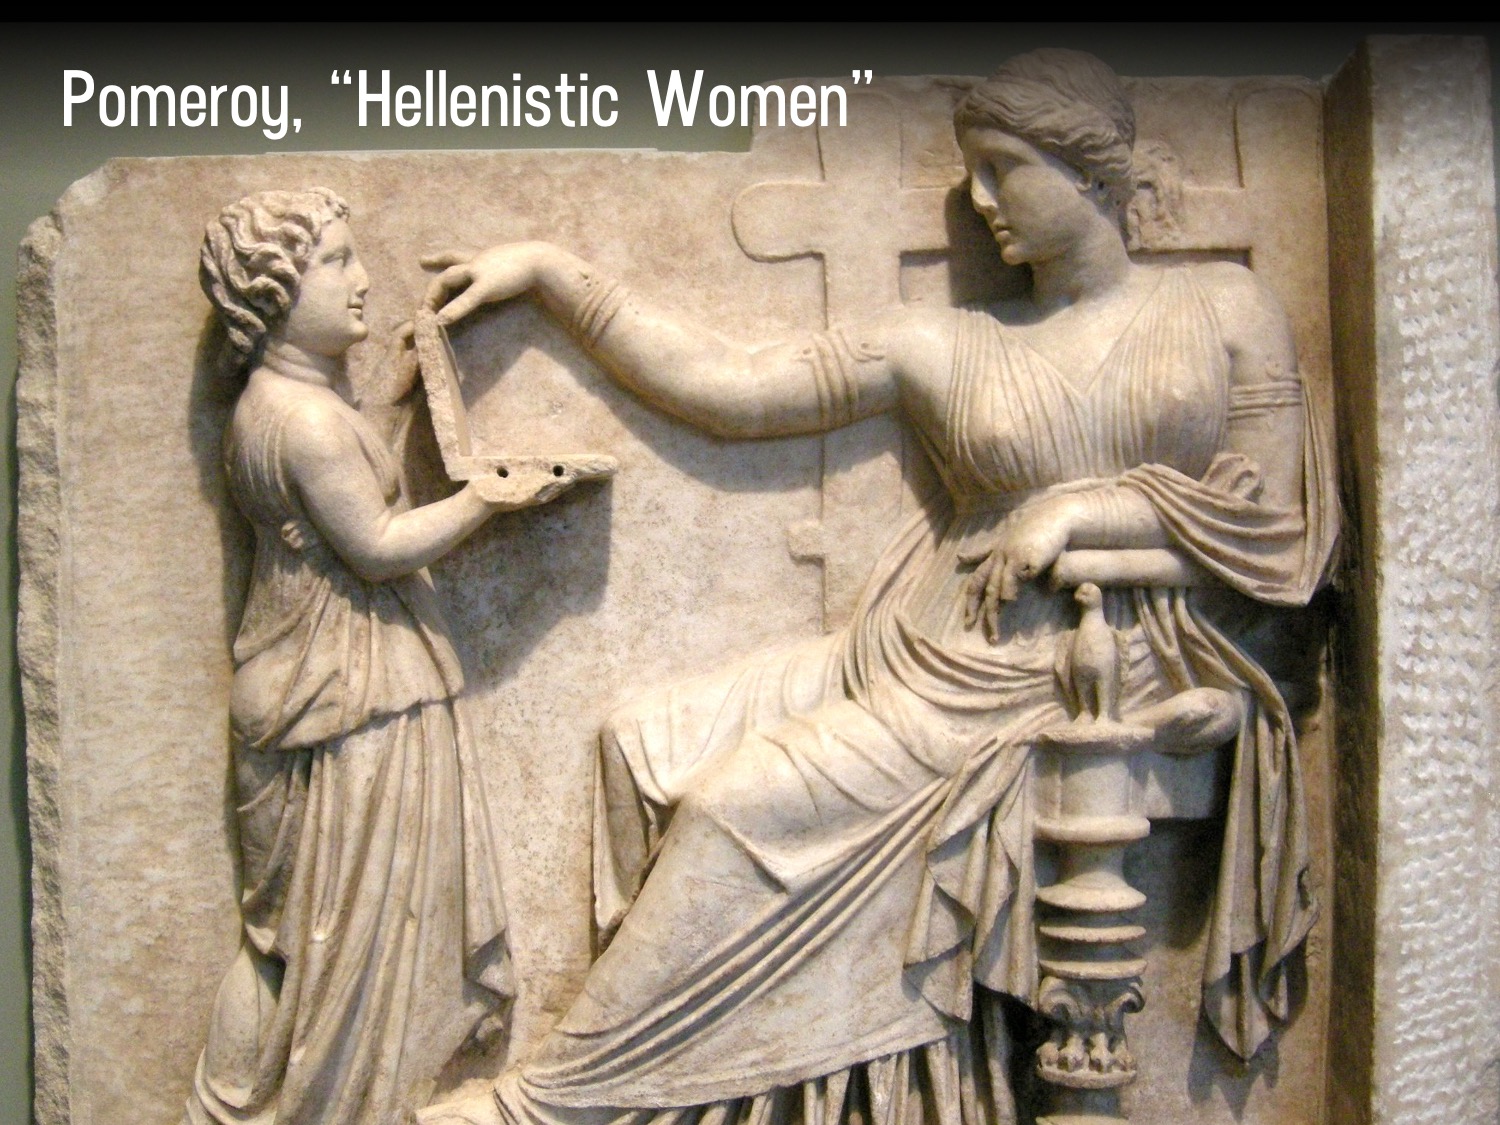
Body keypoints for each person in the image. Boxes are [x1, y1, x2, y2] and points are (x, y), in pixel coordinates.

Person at [422, 48, 1337, 1125]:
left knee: (730, 808)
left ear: (1091, 166)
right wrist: (552, 276)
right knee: (644, 738)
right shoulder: (945, 344)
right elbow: (728, 387)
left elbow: (1279, 527)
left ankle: (557, 1102)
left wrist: (1090, 509)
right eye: (971, 173)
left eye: (1003, 168)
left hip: (1099, 673)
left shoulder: (1225, 309)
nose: (981, 199)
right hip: (933, 658)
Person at [188, 188, 575, 1125]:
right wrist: (492, 497)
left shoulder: (275, 404)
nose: (361, 280)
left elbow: (347, 510)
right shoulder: (310, 423)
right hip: (350, 697)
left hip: (301, 685)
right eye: (336, 262)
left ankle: (223, 1107)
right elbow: (376, 544)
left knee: (285, 946)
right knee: (348, 943)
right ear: (275, 295)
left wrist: (408, 402)